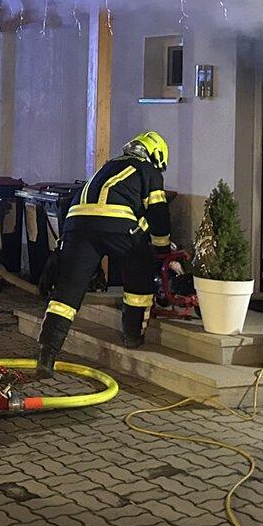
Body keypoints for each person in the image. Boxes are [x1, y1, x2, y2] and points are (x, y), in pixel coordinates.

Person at [34, 131, 171, 378]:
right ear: (155, 155)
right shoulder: (148, 171)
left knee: (67, 293)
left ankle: (46, 354)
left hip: (77, 225)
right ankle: (132, 335)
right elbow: (159, 213)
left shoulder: (107, 167)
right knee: (139, 271)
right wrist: (161, 250)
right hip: (117, 224)